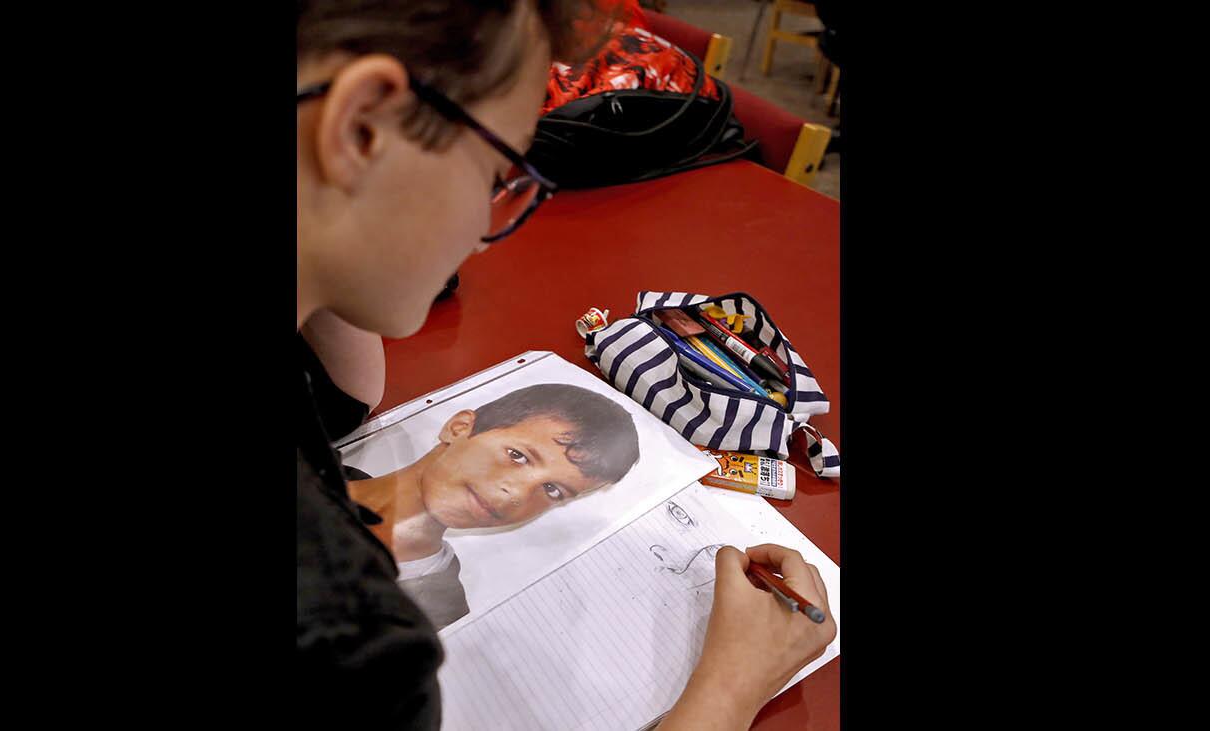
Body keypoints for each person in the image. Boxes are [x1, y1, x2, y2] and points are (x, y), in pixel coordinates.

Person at [295, 1, 836, 727]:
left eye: (553, 493)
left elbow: (342, 399)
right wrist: (731, 685)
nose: (488, 236)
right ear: (358, 128)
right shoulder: (349, 632)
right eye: (495, 173)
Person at [352, 383, 640, 629]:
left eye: (552, 490)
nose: (514, 494)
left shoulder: (439, 613)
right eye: (518, 456)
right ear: (459, 428)